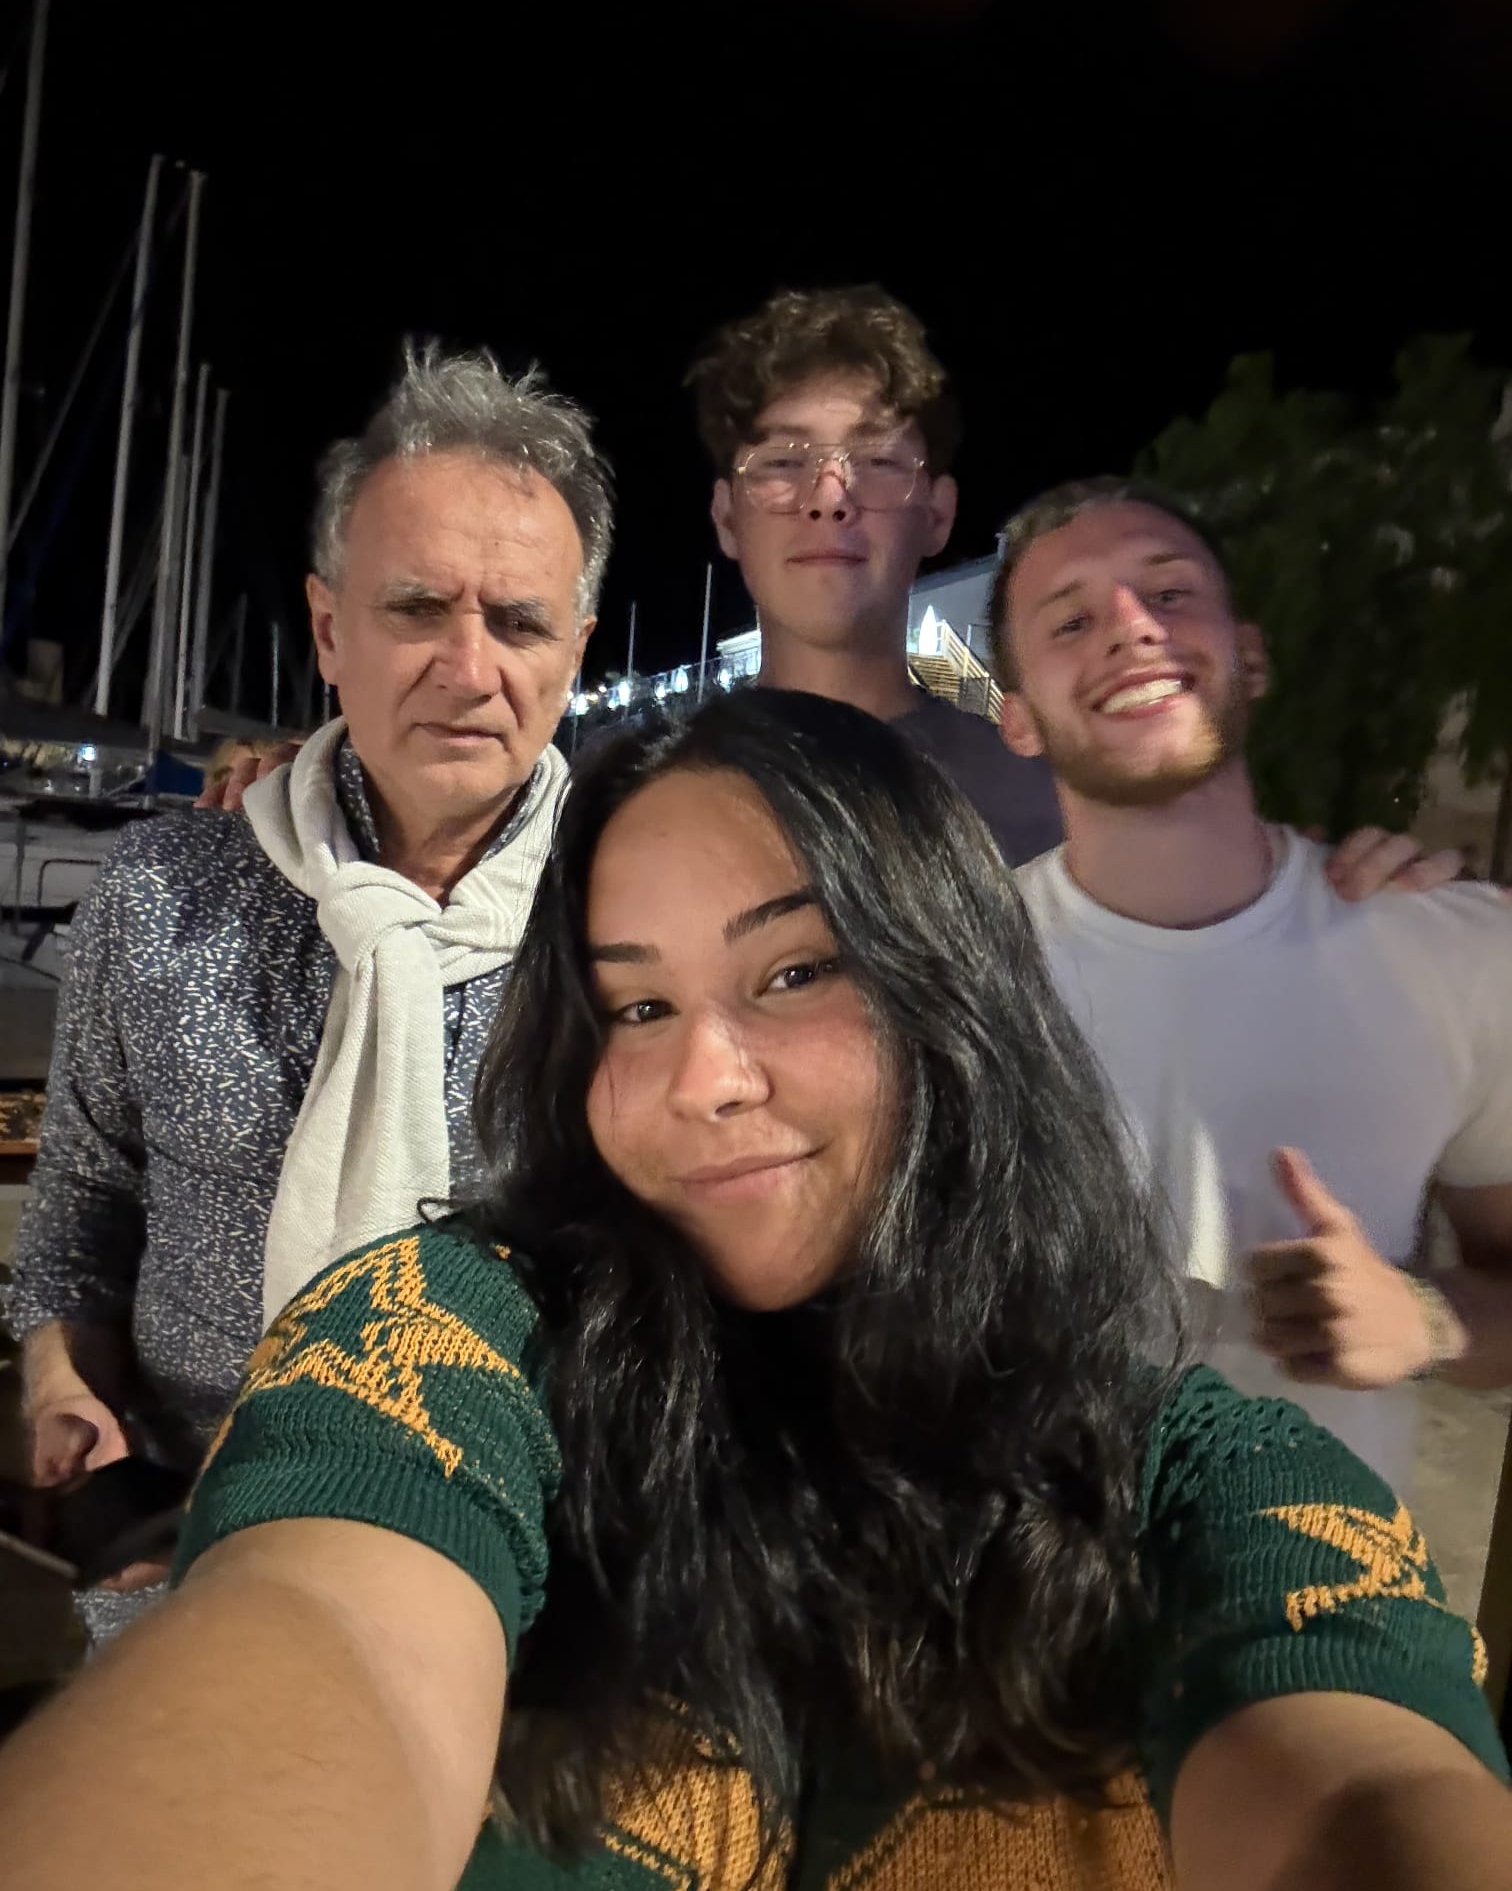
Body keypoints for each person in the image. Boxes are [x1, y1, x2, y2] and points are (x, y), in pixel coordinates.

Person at [0, 688, 1506, 1891]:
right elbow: (326, 1632)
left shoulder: (1202, 1482)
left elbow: (1360, 1785)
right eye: (637, 1005)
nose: (704, 1079)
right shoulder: (450, 1340)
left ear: (953, 991)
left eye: (794, 974)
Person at [5, 343, 611, 1643]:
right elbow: (80, 1219)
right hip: (182, 1562)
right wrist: (61, 1384)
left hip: (537, 1596)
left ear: (574, 652)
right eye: (417, 610)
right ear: (331, 629)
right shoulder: (160, 892)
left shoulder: (637, 924)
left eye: (518, 622)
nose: (469, 667)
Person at [989, 477, 1512, 1492]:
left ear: (1252, 656)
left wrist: (1429, 1321)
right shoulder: (953, 971)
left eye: (1170, 593)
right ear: (1018, 721)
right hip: (1016, 1576)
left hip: (1329, 1581)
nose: (1133, 626)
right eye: (1072, 620)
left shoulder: (1450, 952)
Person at [686, 283, 1066, 863]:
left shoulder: (1047, 815)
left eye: (878, 461)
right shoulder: (640, 802)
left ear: (938, 513)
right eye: (783, 462)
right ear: (727, 518)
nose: (829, 497)